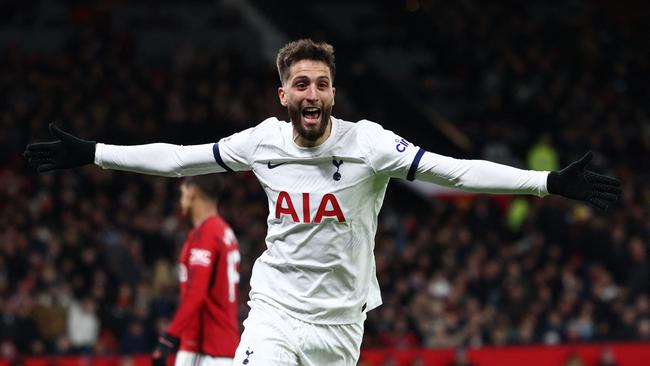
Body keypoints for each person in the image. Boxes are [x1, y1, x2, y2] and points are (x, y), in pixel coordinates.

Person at [25, 39, 621, 365]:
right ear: (283, 92)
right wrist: (95, 152)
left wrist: (544, 183)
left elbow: (456, 171)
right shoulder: (262, 141)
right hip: (276, 311)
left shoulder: (370, 144)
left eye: (322, 84)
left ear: (333, 92)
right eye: (301, 84)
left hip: (341, 327)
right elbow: (180, 158)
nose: (312, 94)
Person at [151, 175, 240, 366]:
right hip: (223, 346)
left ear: (193, 193)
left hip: (204, 348)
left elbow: (197, 293)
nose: (181, 199)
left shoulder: (206, 234)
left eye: (183, 193)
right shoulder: (225, 231)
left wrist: (169, 337)